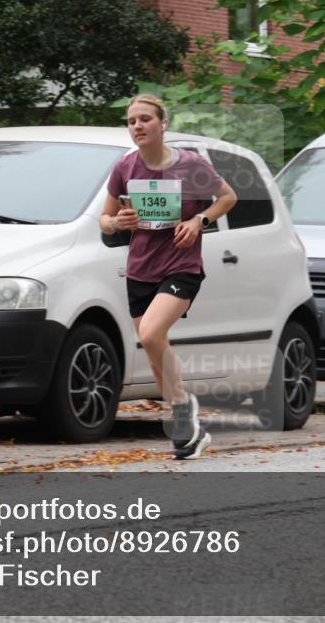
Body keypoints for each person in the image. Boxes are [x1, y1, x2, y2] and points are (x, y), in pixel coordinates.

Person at [100, 94, 237, 460]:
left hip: (181, 265)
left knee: (150, 333)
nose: (137, 126)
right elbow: (105, 219)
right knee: (155, 350)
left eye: (145, 119)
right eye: (132, 121)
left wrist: (198, 221)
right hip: (139, 269)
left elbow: (227, 197)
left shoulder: (190, 165)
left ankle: (182, 406)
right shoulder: (125, 167)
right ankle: (190, 433)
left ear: (163, 124)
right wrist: (118, 222)